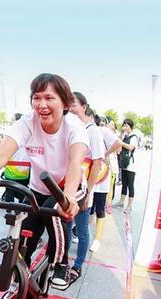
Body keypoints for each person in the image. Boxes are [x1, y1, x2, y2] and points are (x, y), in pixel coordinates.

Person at [0, 73, 88, 287]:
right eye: (37, 98)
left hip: (68, 187)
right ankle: (22, 275)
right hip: (38, 187)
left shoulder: (74, 126)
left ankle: (61, 263)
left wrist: (70, 196)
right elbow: (0, 156)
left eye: (49, 98)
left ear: (65, 103)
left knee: (55, 211)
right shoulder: (27, 122)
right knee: (25, 232)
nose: (42, 105)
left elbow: (75, 162)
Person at [67, 93, 105, 283]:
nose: (70, 108)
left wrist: (88, 192)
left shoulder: (93, 131)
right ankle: (62, 261)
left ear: (84, 107)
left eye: (73, 104)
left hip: (82, 188)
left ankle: (78, 265)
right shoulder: (70, 127)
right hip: (67, 187)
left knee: (82, 229)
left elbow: (97, 163)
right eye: (68, 104)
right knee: (66, 227)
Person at [89, 115, 123, 252]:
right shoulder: (85, 130)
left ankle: (97, 239)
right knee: (88, 208)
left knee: (99, 209)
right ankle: (83, 233)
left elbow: (118, 143)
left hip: (101, 176)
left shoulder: (102, 131)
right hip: (89, 175)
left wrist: (105, 154)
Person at [113, 118, 138, 212]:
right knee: (124, 184)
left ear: (130, 127)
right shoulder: (125, 135)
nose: (125, 127)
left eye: (127, 125)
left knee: (130, 185)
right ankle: (121, 202)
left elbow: (131, 148)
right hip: (124, 163)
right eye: (124, 125)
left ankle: (129, 205)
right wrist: (122, 133)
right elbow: (118, 142)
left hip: (131, 165)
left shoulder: (134, 137)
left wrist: (122, 143)